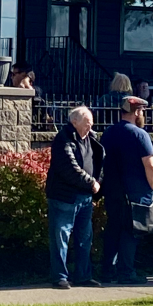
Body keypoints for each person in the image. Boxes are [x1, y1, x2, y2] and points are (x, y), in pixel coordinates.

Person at [100, 97, 153, 285]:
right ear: (137, 112)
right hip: (135, 192)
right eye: (142, 111)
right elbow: (150, 165)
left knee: (113, 229)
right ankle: (126, 272)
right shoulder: (139, 134)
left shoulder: (108, 133)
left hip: (112, 190)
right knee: (131, 232)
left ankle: (107, 271)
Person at [46, 106, 104, 290]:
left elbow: (100, 162)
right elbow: (69, 168)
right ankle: (60, 277)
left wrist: (98, 181)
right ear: (74, 122)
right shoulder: (63, 139)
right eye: (87, 123)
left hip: (85, 198)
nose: (90, 127)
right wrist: (91, 182)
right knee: (60, 237)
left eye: (91, 124)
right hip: (65, 198)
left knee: (84, 238)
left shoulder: (91, 139)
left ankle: (83, 275)